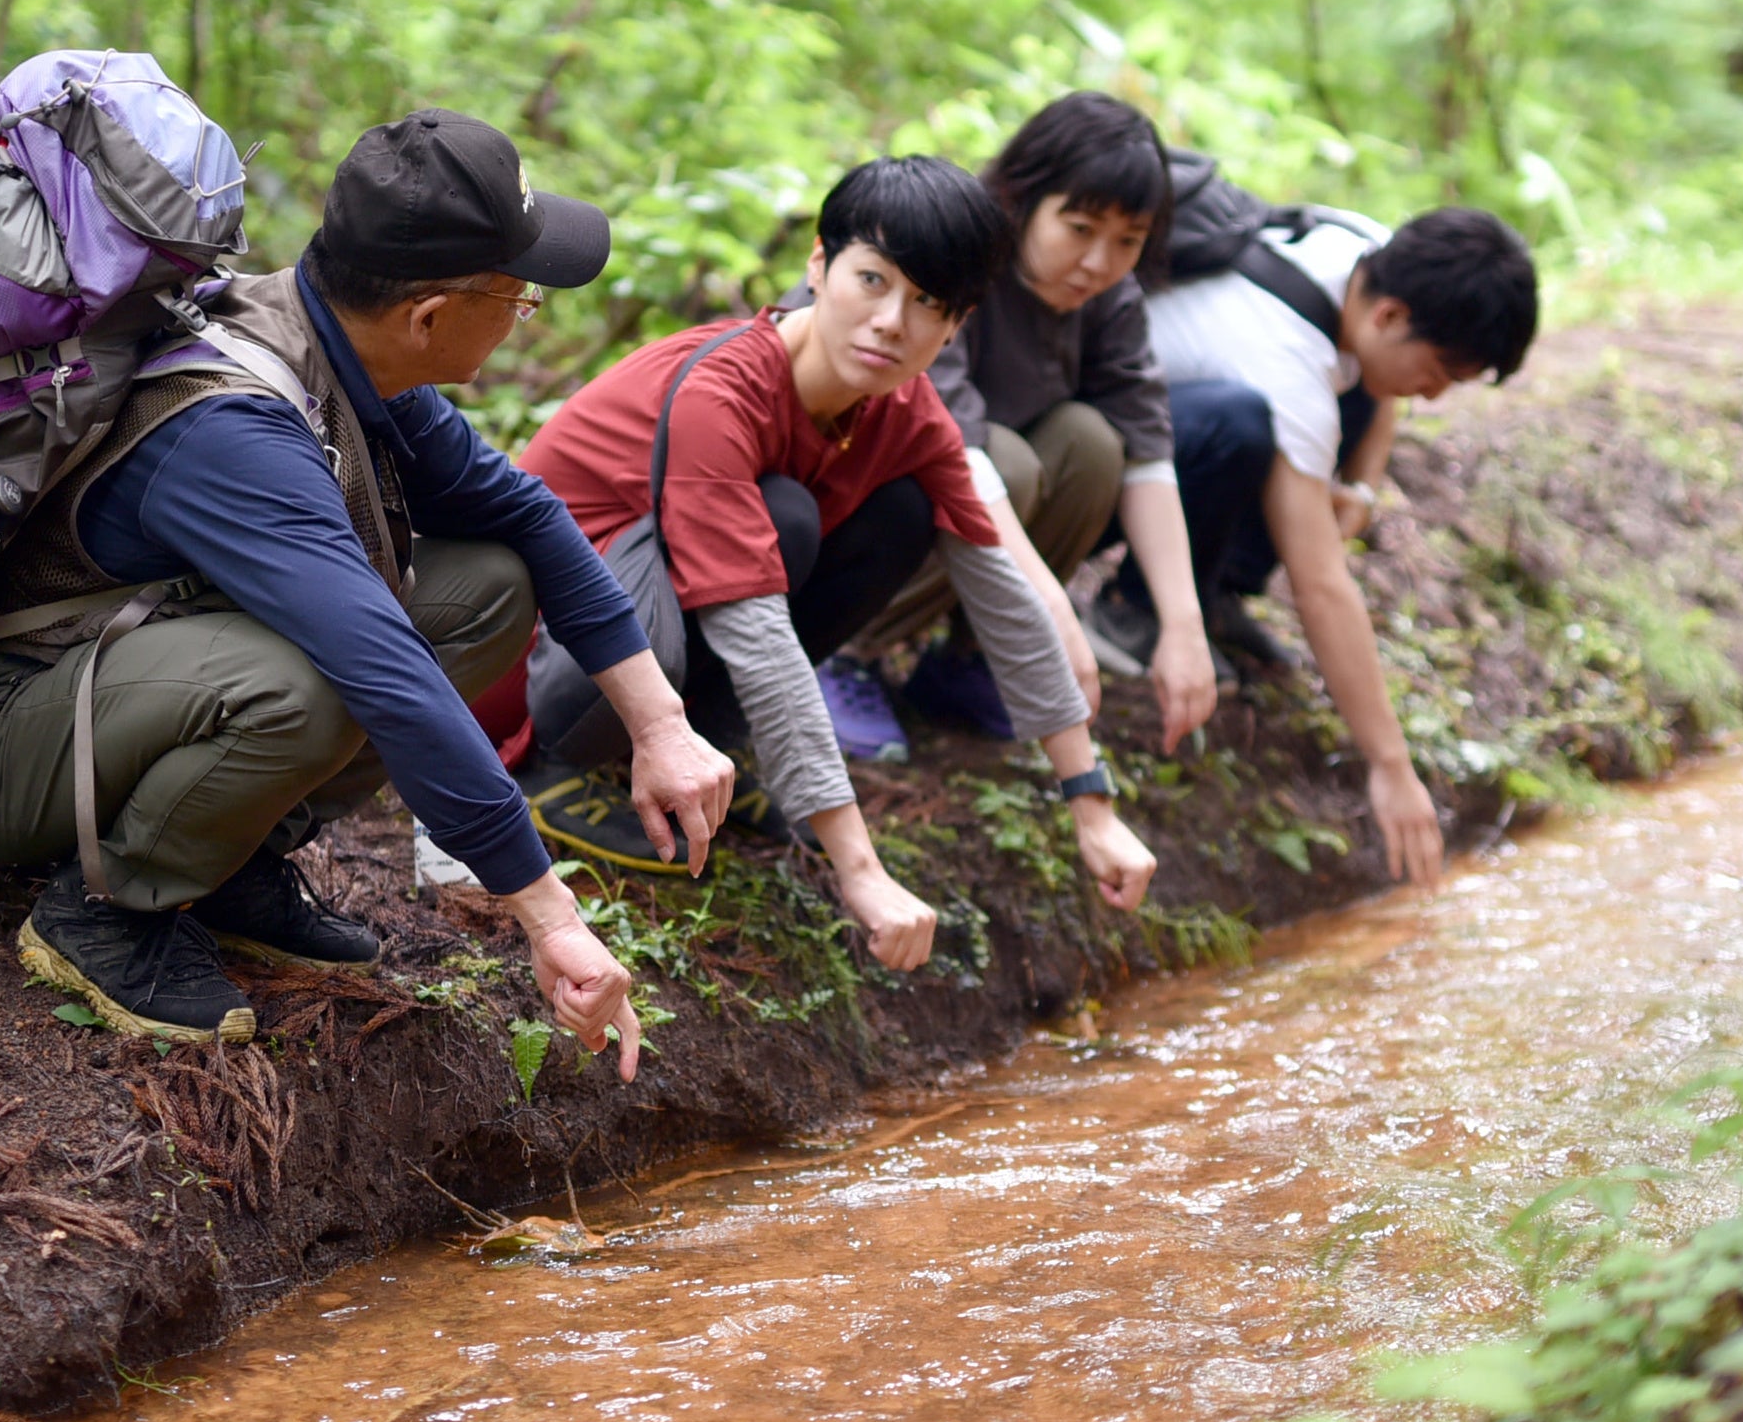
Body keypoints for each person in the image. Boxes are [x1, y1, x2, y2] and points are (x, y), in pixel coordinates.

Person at [0, 108, 736, 1056]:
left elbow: (525, 515)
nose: (521, 316)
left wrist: (660, 726)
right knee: (312, 683)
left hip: (116, 695)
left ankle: (224, 864)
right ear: (428, 315)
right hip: (2, 742)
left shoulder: (345, 352)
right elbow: (383, 669)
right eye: (518, 297)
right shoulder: (233, 430)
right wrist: (551, 917)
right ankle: (106, 912)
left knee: (489, 587)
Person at [506, 156, 1160, 969]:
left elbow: (997, 587)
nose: (893, 322)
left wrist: (1090, 803)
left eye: (929, 304)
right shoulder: (723, 391)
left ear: (957, 326)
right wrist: (862, 871)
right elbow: (757, 636)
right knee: (783, 515)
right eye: (874, 280)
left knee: (901, 512)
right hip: (535, 669)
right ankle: (554, 779)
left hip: (647, 646)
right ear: (819, 265)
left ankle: (704, 746)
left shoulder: (904, 406)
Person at [1121, 202, 1537, 885]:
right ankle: (1135, 605)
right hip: (1108, 443)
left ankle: (1220, 592)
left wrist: (1364, 489)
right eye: (1438, 371)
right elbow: (1320, 585)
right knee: (1256, 427)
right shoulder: (1283, 361)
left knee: (1351, 393)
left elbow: (1383, 386)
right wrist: (1391, 767)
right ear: (1391, 316)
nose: (1432, 396)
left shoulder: (1371, 251)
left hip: (1198, 404)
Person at [849, 91, 1221, 754]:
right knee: (1009, 463)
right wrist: (1052, 609)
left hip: (974, 487)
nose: (1100, 262)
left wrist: (1183, 623)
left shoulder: (1108, 300)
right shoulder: (951, 256)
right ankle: (847, 651)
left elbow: (1146, 453)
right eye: (1080, 229)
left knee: (1091, 442)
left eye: (1128, 241)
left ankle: (968, 660)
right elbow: (955, 450)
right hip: (852, 493)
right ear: (1022, 199)